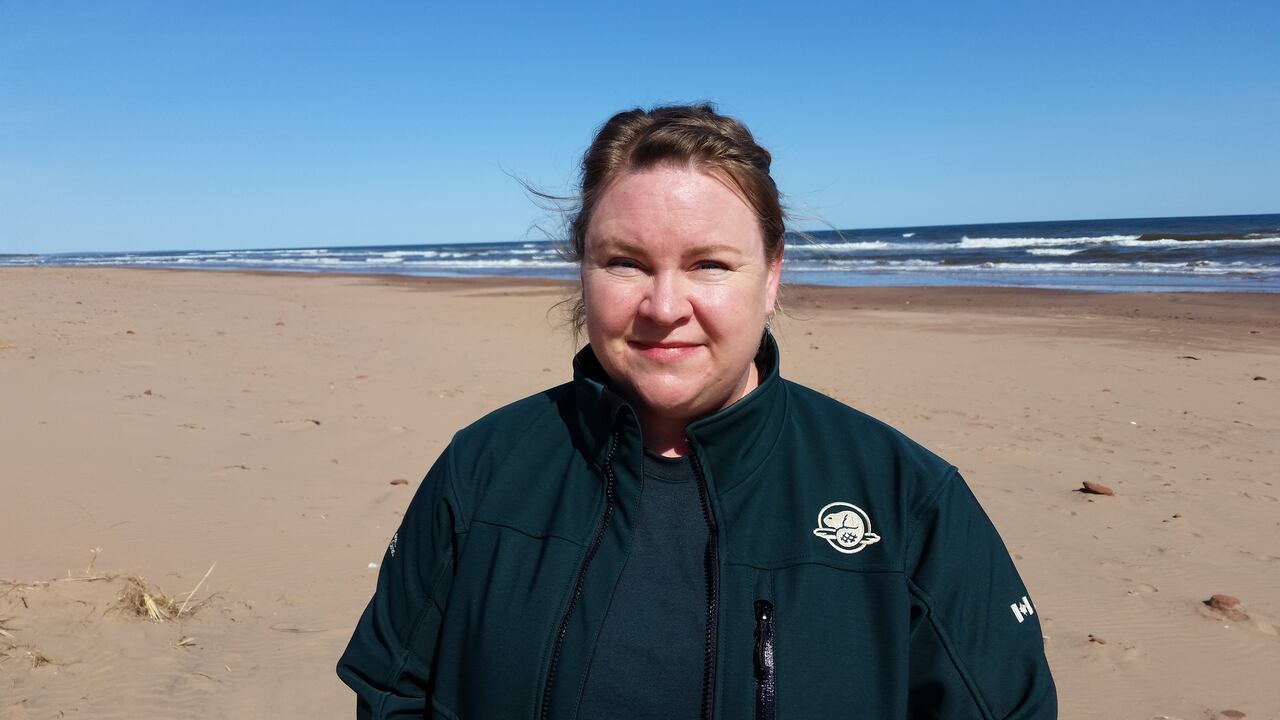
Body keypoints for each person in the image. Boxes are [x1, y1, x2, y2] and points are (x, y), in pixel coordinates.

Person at [337, 104, 1057, 719]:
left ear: (771, 276)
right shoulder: (484, 468)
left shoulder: (903, 498)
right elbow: (391, 690)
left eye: (709, 263)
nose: (663, 307)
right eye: (625, 262)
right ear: (581, 269)